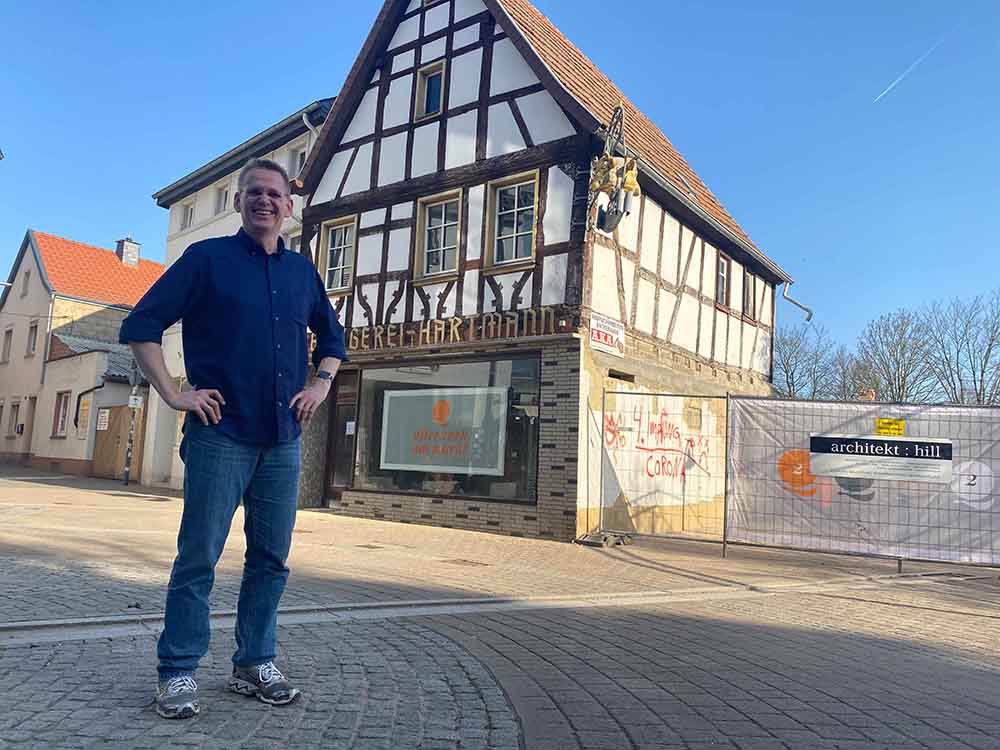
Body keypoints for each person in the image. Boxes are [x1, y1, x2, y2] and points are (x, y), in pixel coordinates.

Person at [119, 158, 347, 719]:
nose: (264, 201)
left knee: (271, 559)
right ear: (239, 202)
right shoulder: (206, 260)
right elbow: (142, 326)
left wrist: (319, 385)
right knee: (199, 556)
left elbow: (335, 340)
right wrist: (175, 393)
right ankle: (177, 671)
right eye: (253, 193)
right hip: (219, 434)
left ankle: (253, 662)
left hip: (282, 439)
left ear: (288, 207)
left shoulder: (302, 273)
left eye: (274, 193)